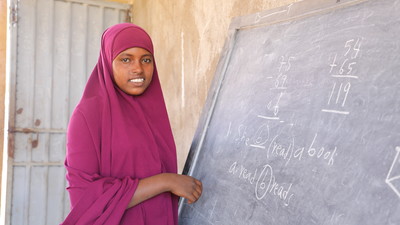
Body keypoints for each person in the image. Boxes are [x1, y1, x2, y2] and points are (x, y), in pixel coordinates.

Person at [61, 23, 202, 225]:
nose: (138, 68)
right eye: (125, 59)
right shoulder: (88, 115)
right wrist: (166, 181)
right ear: (108, 62)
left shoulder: (153, 111)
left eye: (146, 60)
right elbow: (84, 197)